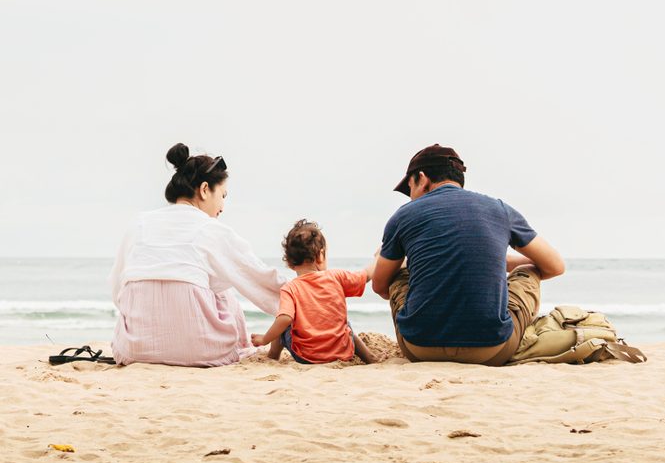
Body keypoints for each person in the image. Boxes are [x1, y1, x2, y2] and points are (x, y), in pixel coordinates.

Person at [372, 144, 565, 366]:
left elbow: (380, 286)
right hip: (493, 351)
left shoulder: (403, 216)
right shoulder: (499, 209)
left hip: (418, 348)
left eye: (409, 188)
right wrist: (499, 261)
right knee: (529, 270)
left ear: (422, 178)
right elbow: (555, 266)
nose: (411, 197)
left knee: (399, 270)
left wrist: (408, 264)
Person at [110, 143, 287, 367]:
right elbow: (258, 277)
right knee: (225, 292)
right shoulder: (210, 229)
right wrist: (305, 296)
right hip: (200, 351)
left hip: (134, 348)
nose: (222, 207)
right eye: (222, 195)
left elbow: (118, 287)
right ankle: (238, 345)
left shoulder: (139, 223)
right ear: (204, 190)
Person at [251, 219, 378, 364]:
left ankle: (273, 355)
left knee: (282, 322)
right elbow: (366, 275)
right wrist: (379, 258)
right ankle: (369, 357)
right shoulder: (336, 277)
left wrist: (265, 338)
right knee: (345, 326)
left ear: (289, 263)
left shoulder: (290, 288)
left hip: (307, 357)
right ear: (321, 255)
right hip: (341, 352)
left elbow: (285, 318)